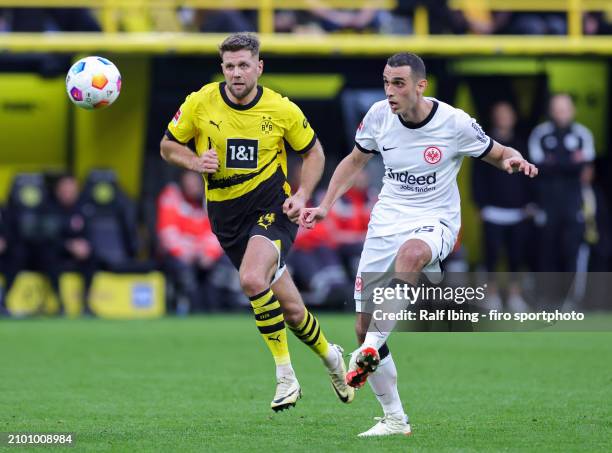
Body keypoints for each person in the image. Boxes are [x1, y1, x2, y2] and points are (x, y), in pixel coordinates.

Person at [301, 53, 538, 436]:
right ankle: (394, 418)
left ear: (420, 86)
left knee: (409, 258)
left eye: (398, 83)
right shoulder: (378, 116)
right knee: (362, 327)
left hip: (436, 220)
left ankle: (370, 350)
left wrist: (514, 160)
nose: (390, 91)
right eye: (386, 82)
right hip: (386, 221)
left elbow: (497, 152)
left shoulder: (454, 122)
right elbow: (354, 160)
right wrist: (326, 205)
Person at [160, 33, 354, 411]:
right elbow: (168, 146)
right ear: (223, 68)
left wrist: (301, 194)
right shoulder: (200, 102)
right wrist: (194, 162)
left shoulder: (281, 109)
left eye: (244, 65)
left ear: (259, 67)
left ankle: (286, 376)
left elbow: (314, 152)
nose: (236, 73)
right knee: (294, 312)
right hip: (226, 218)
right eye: (230, 66)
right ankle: (331, 357)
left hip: (272, 209)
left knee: (250, 279)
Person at [471, 102, 533, 312]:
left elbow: (529, 176)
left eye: (507, 114)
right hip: (492, 212)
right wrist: (480, 206)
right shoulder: (484, 145)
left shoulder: (522, 145)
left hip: (518, 212)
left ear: (514, 117)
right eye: (499, 115)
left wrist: (530, 204)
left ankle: (515, 296)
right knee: (492, 256)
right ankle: (492, 295)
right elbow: (477, 178)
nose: (503, 118)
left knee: (517, 255)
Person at [528, 94, 595, 272]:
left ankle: (571, 297)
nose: (560, 113)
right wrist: (570, 163)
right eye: (556, 109)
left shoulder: (583, 134)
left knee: (572, 249)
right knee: (545, 250)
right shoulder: (540, 133)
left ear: (573, 110)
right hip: (547, 202)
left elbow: (586, 171)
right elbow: (538, 168)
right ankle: (545, 296)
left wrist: (555, 162)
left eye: (564, 109)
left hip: (574, 203)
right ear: (550, 111)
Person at [156, 170, 228, 314]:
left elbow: (217, 232)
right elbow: (168, 233)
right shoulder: (171, 196)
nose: (192, 187)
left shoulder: (210, 198)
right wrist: (187, 252)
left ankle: (217, 312)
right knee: (185, 274)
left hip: (204, 255)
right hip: (178, 255)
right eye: (188, 184)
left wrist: (208, 253)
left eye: (195, 184)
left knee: (223, 266)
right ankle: (187, 311)